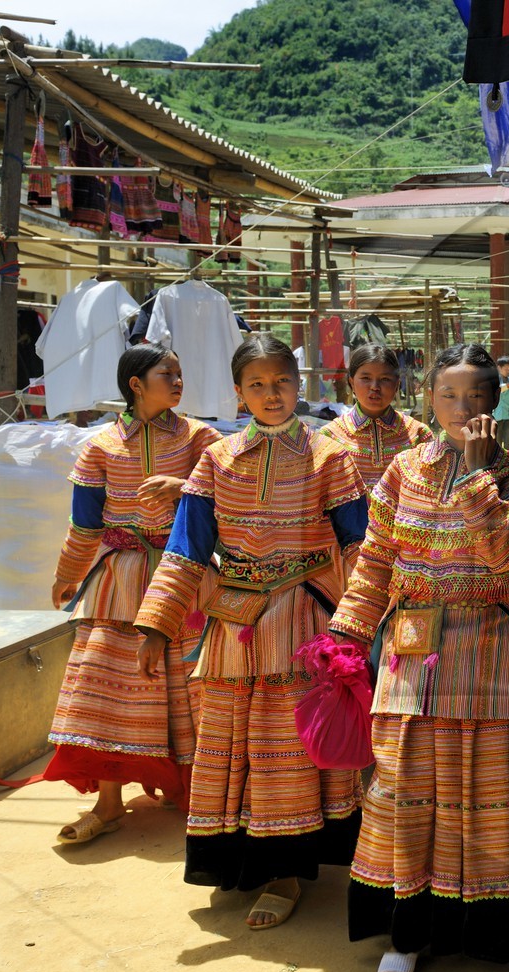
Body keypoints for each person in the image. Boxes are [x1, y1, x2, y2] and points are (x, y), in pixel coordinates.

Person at [330, 342, 509, 972]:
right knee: (406, 781)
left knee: (486, 780)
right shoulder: (401, 470)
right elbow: (377, 559)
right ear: (428, 400)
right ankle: (406, 932)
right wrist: (345, 634)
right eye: (448, 396)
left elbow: (501, 557)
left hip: (491, 643)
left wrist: (476, 472)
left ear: (495, 402)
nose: (462, 409)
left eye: (476, 398)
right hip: (411, 639)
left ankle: (487, 923)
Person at [134, 333, 370, 930]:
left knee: (286, 744)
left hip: (302, 617)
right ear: (238, 392)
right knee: (231, 742)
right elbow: (187, 550)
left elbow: (361, 547)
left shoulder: (329, 458)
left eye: (283, 382)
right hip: (232, 622)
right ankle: (244, 855)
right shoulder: (215, 461)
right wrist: (155, 627)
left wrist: (369, 625)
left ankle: (286, 870)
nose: (272, 394)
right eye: (257, 385)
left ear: (301, 384)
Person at [46, 343, 221, 845]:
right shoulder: (100, 445)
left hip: (185, 572)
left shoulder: (199, 437)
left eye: (180, 371)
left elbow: (234, 489)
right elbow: (85, 522)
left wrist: (185, 485)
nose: (179, 380)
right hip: (119, 580)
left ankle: (195, 793)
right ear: (136, 384)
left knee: (193, 687)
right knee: (112, 689)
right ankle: (108, 804)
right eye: (168, 372)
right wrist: (69, 573)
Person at [320, 343, 434, 491]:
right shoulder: (329, 436)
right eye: (366, 378)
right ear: (351, 383)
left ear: (397, 385)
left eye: (385, 379)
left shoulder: (419, 435)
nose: (375, 386)